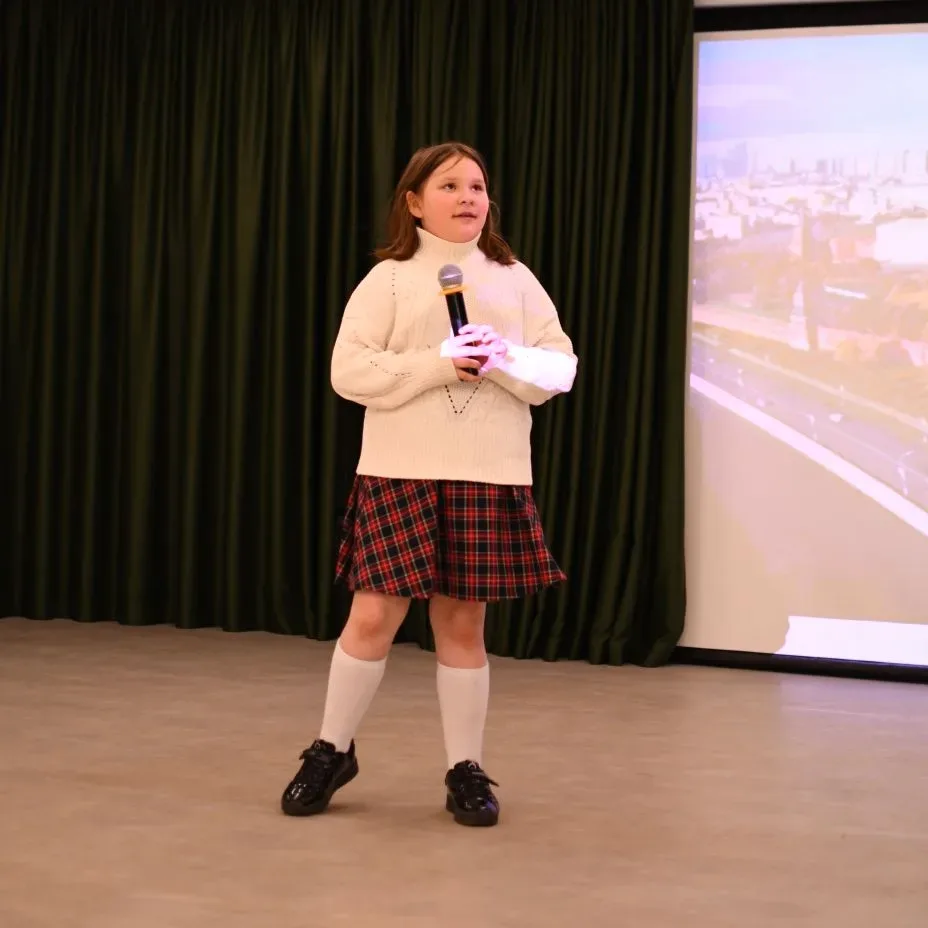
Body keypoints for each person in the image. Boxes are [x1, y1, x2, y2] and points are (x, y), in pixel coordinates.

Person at [280, 141, 577, 827]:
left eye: (477, 186)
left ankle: (465, 768)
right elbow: (349, 373)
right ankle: (331, 749)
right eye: (450, 186)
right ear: (414, 202)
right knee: (372, 616)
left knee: (463, 623)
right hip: (399, 471)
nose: (469, 197)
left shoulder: (515, 278)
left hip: (488, 471)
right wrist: (442, 361)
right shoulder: (386, 280)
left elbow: (559, 369)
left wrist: (503, 358)